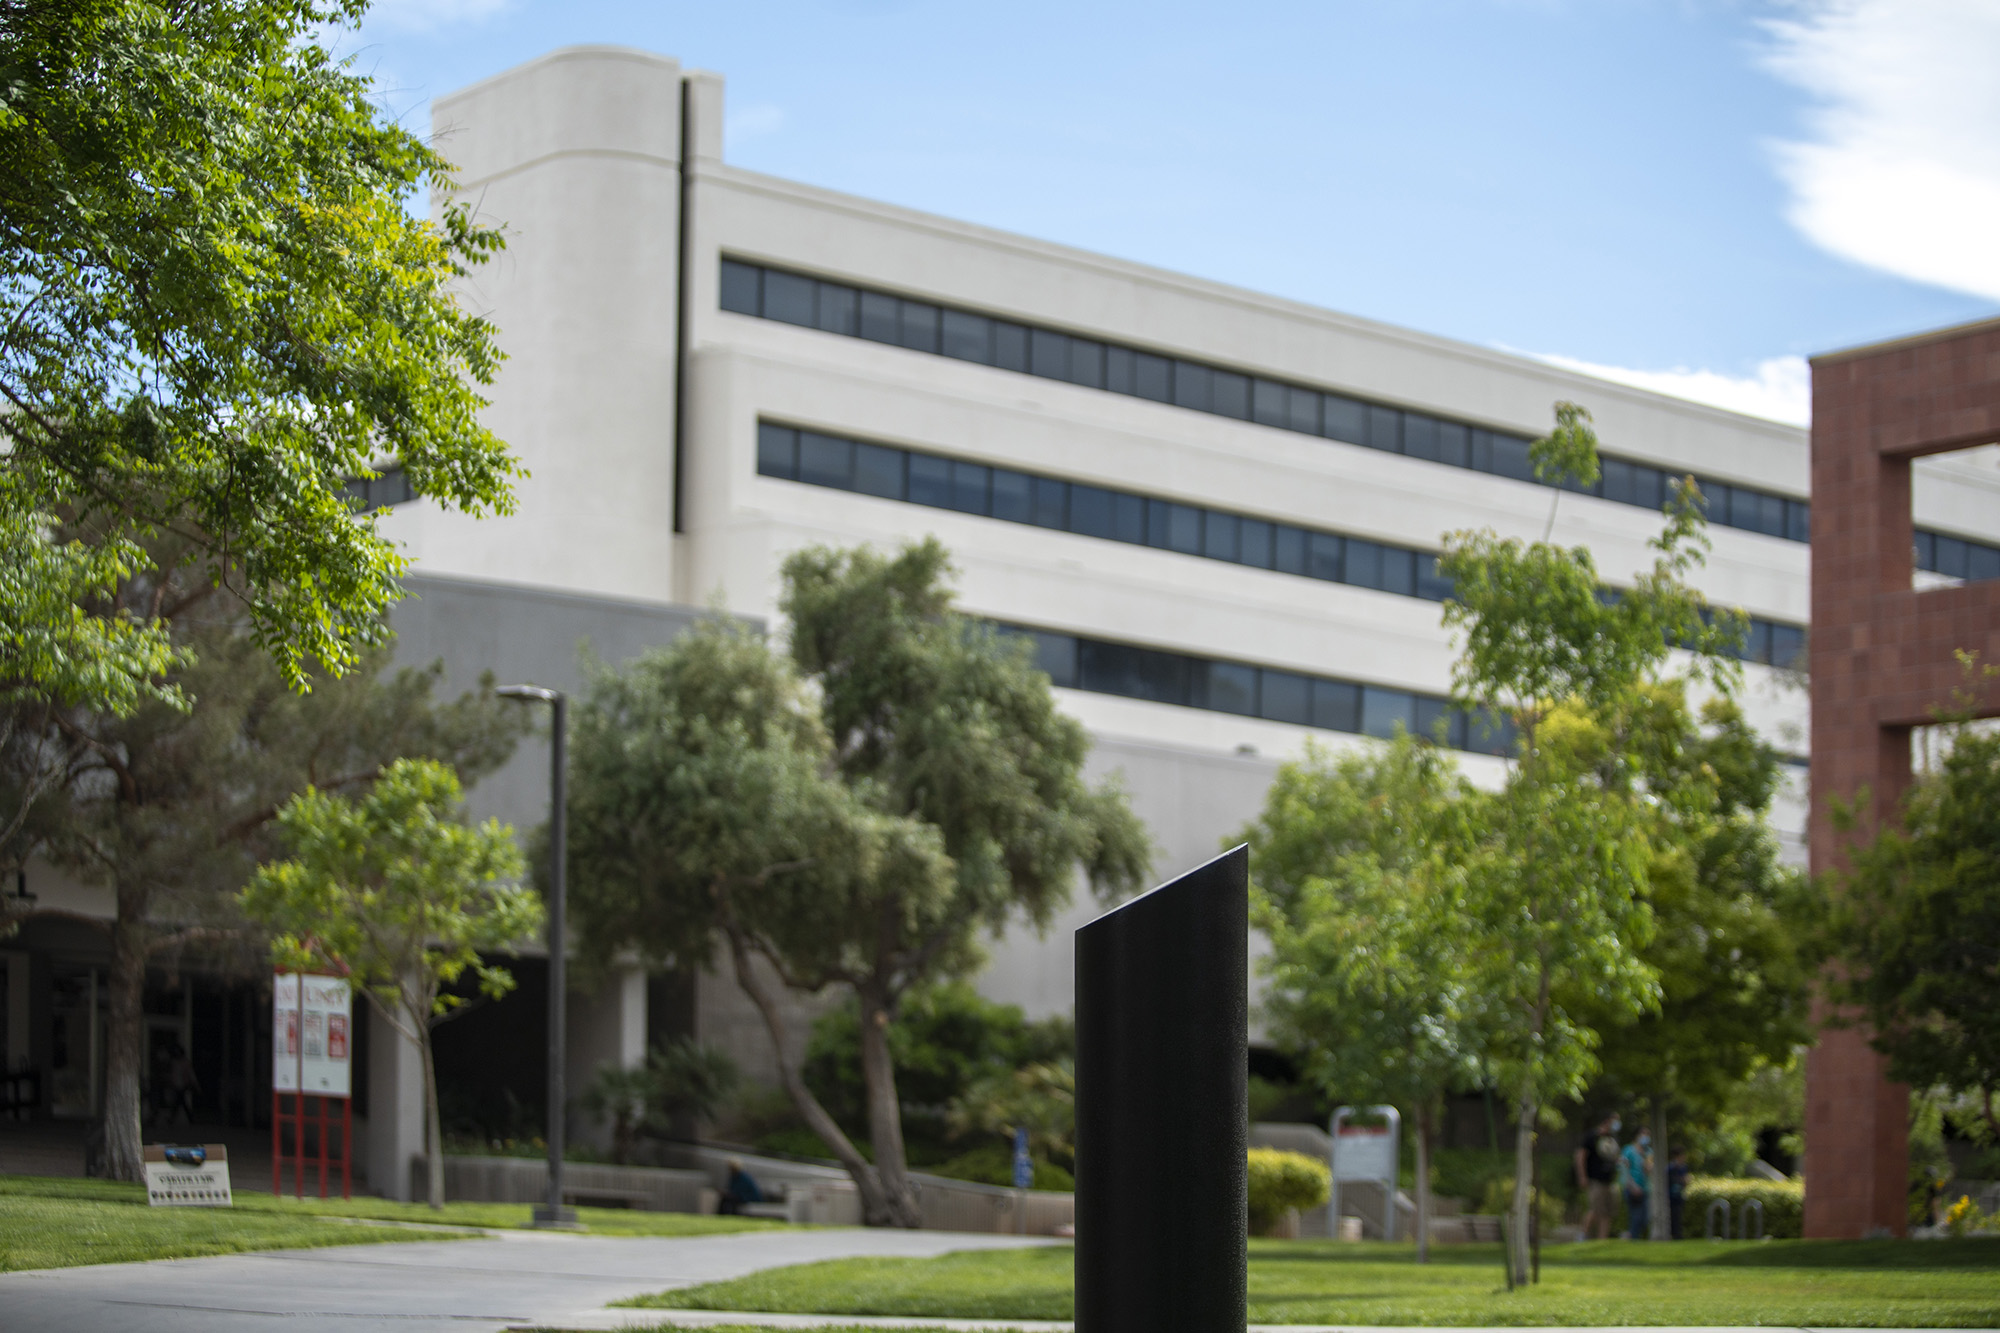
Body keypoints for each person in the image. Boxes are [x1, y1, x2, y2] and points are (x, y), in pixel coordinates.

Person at [1574, 1114, 1621, 1240]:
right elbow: (1580, 1156)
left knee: (1607, 1212)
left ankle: (1602, 1239)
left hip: (1609, 1180)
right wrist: (1582, 1176)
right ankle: (1583, 1235)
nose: (1617, 1124)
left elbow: (1614, 1157)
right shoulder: (1592, 1136)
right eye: (1615, 1121)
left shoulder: (1612, 1138)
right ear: (1607, 1121)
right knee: (1594, 1209)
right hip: (1595, 1179)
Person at [1619, 1129, 1653, 1240]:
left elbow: (1649, 1170)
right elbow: (1623, 1169)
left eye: (1648, 1134)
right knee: (1636, 1216)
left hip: (1645, 1188)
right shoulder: (1628, 1150)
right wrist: (1632, 1186)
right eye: (1644, 1134)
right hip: (1631, 1188)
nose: (1646, 1137)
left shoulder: (1648, 1152)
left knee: (1645, 1218)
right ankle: (1633, 1238)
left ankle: (1629, 1236)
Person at [1667, 1148, 1689, 1240]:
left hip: (1679, 1195)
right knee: (1672, 1216)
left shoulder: (1683, 1167)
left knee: (1678, 1216)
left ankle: (1678, 1234)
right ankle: (1673, 1234)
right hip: (1670, 1195)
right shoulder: (1670, 1168)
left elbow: (1685, 1180)